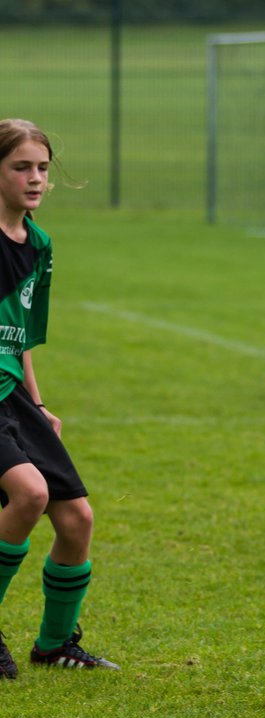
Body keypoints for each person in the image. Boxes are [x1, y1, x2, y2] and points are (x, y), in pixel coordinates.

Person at [0, 119, 118, 676]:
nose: (36, 178)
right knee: (29, 494)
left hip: (13, 397)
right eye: (21, 167)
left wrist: (40, 406)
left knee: (78, 521)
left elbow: (21, 339)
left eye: (42, 168)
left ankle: (54, 644)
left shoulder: (39, 245)